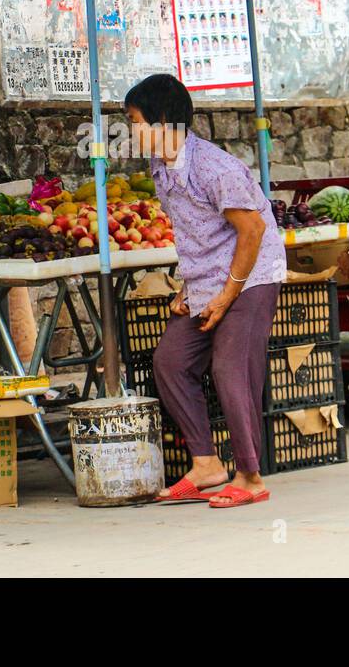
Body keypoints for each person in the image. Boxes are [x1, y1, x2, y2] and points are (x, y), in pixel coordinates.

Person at [125, 74, 285, 508]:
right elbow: (196, 231)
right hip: (209, 279)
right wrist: (189, 285)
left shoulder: (214, 167)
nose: (130, 131)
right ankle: (206, 463)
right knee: (171, 361)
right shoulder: (161, 167)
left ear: (160, 120)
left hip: (251, 276)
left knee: (230, 367)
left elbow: (251, 230)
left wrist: (228, 293)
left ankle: (250, 476)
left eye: (134, 120)